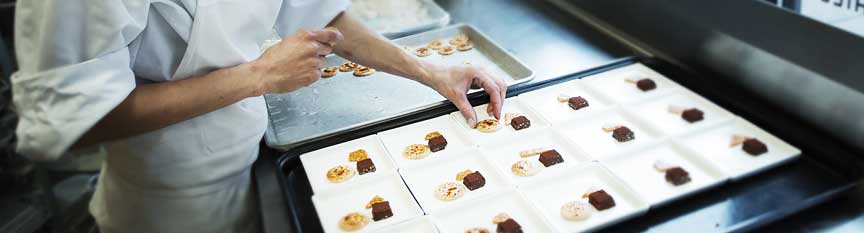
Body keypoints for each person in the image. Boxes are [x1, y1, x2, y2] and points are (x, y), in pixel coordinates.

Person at [11, 1, 506, 232]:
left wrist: (429, 69)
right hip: (161, 204)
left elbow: (317, 13)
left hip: (247, 167)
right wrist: (261, 77)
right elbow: (77, 120)